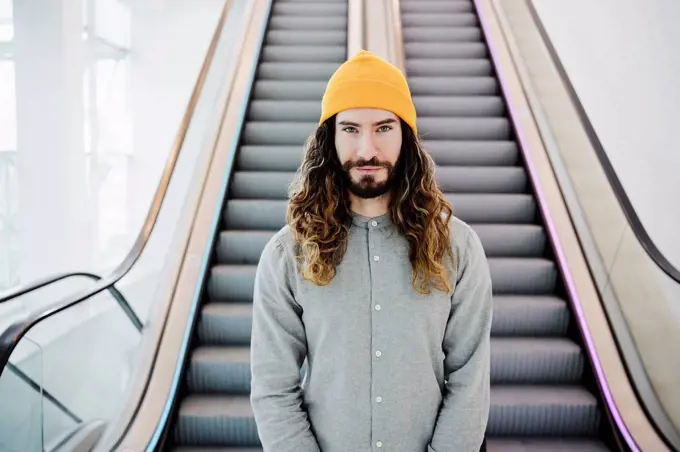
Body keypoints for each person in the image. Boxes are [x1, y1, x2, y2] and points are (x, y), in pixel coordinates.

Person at [250, 50, 493, 452]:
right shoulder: (286, 255)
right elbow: (273, 388)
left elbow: (470, 376)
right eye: (350, 129)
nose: (367, 149)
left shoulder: (458, 247)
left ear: (406, 136)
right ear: (329, 139)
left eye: (383, 127)